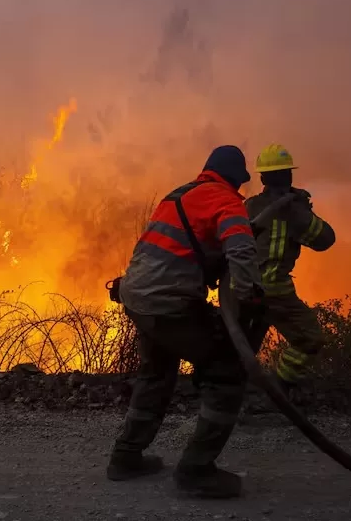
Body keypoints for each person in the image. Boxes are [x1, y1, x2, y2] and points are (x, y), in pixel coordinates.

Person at [106, 145, 264, 499]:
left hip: (137, 296)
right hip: (169, 303)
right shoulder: (225, 200)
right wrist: (250, 294)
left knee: (157, 373)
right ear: (235, 179)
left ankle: (126, 457)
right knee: (226, 369)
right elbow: (240, 248)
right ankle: (196, 469)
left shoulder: (178, 195)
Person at [244, 144, 336, 394]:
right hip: (275, 294)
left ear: (261, 178)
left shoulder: (248, 206)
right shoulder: (293, 212)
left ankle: (235, 393)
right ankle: (279, 387)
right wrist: (300, 210)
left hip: (241, 292)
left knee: (243, 346)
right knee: (309, 339)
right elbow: (325, 240)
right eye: (282, 175)